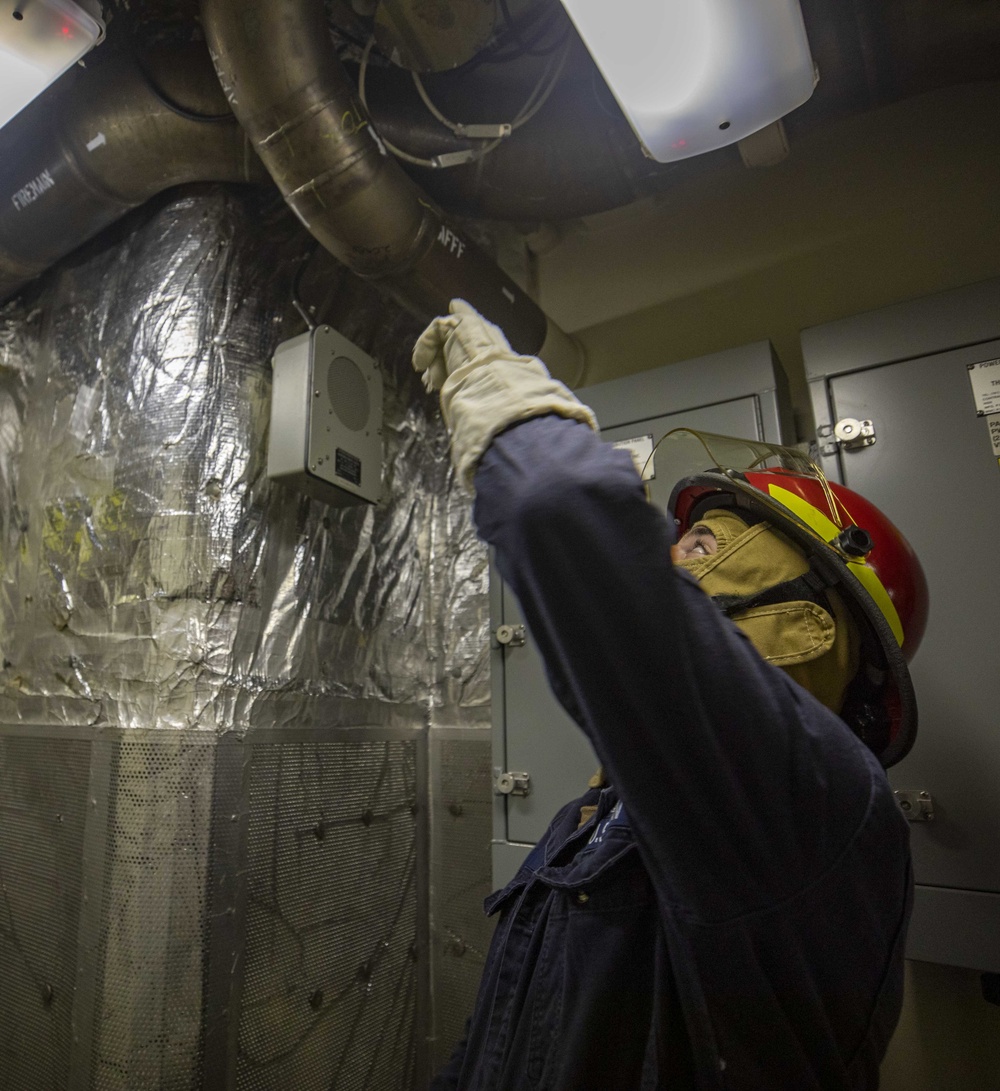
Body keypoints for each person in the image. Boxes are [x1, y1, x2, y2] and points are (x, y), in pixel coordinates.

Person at [412, 300, 929, 1091]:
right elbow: (506, 1032)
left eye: (702, 544)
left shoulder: (821, 804)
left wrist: (504, 399)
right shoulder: (600, 811)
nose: (673, 557)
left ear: (809, 624)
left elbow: (554, 503)